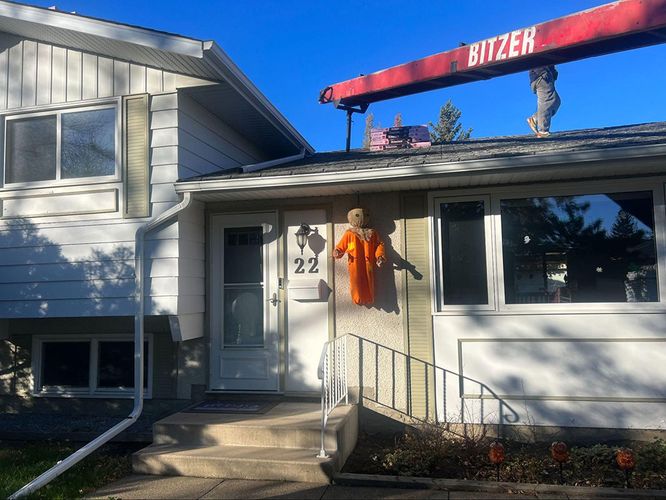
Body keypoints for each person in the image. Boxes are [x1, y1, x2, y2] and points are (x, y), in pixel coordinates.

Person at [526, 65, 560, 138]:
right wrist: (543, 72)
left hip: (545, 75)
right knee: (547, 100)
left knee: (556, 101)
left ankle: (535, 119)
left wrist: (553, 73)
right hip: (540, 75)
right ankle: (543, 131)